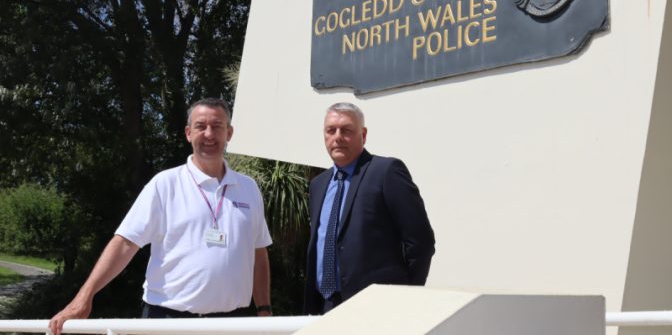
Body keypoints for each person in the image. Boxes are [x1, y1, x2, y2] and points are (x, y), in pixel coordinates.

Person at [49, 98, 273, 335]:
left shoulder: (248, 188)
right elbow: (125, 243)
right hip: (168, 323)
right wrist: (83, 298)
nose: (209, 134)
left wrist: (265, 309)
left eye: (217, 126)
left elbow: (258, 252)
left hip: (233, 325)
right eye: (200, 126)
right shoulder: (165, 184)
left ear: (229, 133)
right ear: (188, 133)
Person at [303, 102, 435, 314]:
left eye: (346, 130)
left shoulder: (386, 172)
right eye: (331, 130)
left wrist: (406, 296)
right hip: (325, 307)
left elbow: (421, 242)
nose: (337, 137)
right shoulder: (318, 185)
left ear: (362, 135)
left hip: (378, 307)